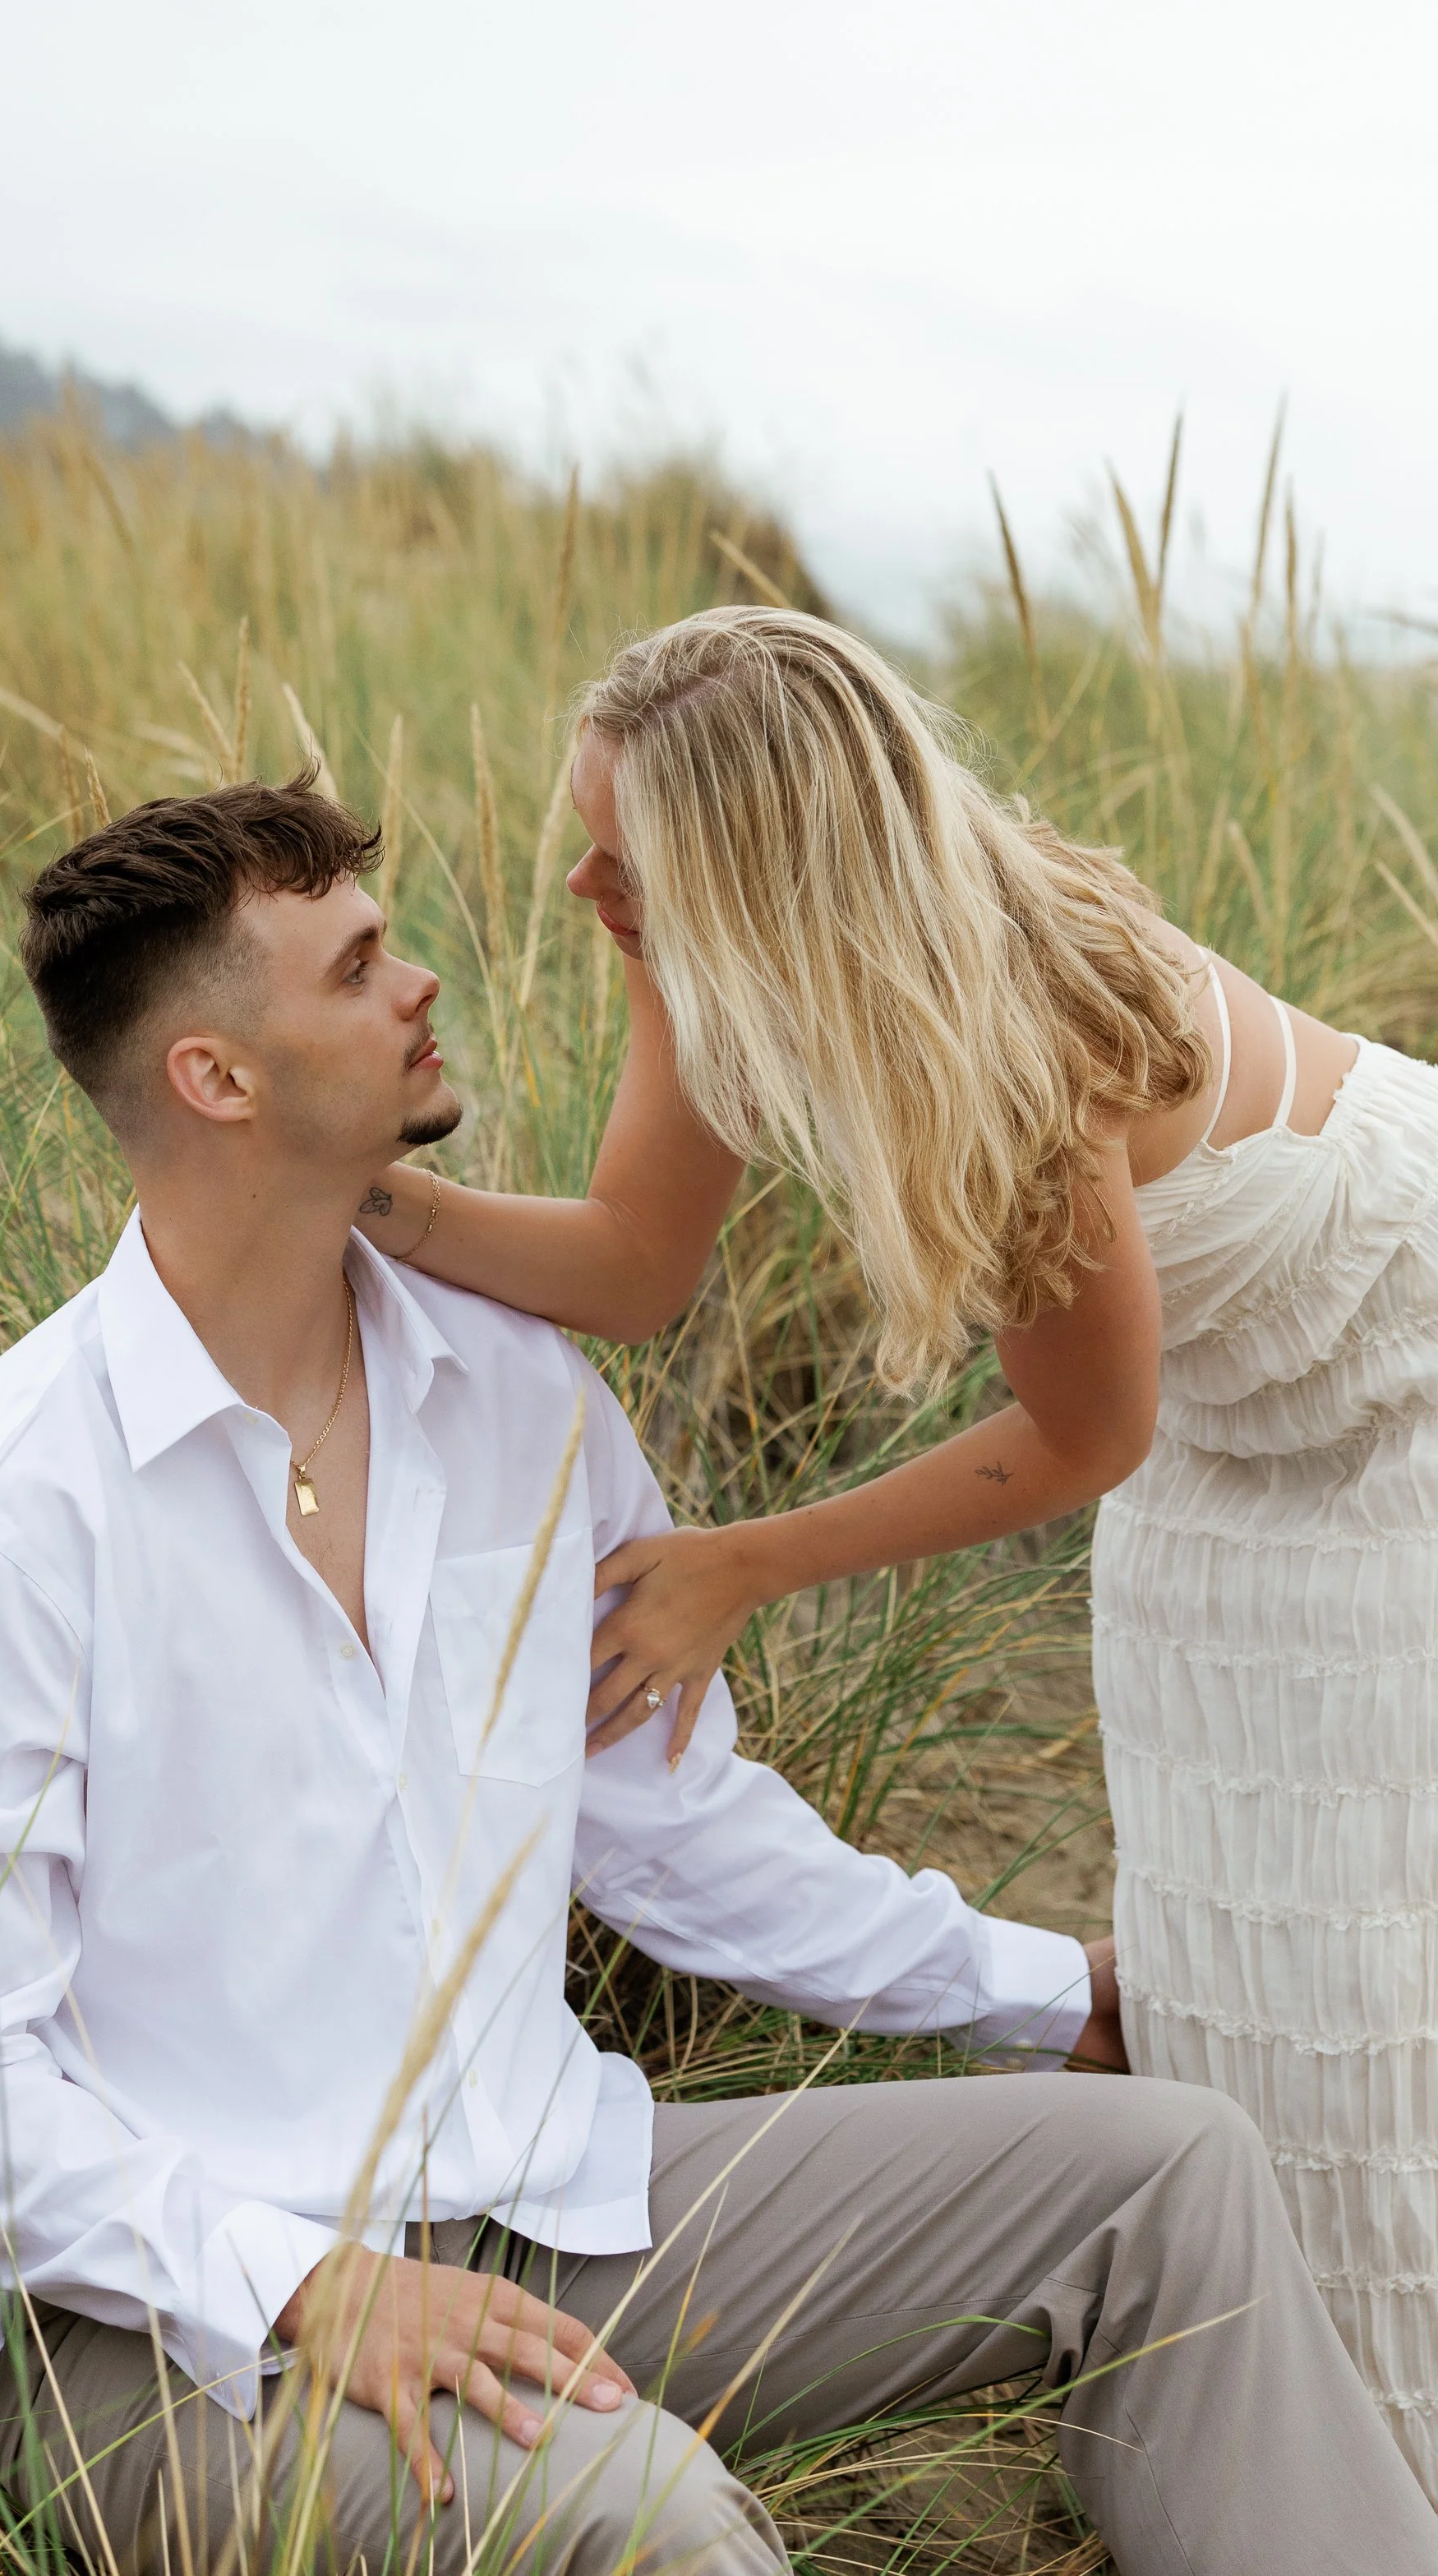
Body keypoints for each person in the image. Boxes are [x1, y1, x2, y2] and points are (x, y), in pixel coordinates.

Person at [0, 778, 1438, 2576]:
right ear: (218, 1077)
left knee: (1169, 2183)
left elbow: (674, 1828)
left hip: (548, 2200)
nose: (422, 978)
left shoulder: (514, 1401)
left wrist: (1039, 1991)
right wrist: (308, 2282)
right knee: (639, 2517)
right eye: (358, 967)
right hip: (165, 2331)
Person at [354, 604, 1438, 2497]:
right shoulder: (709, 957)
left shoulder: (1007, 1031)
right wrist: (376, 1198)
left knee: (1376, 1953)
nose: (582, 876)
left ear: (760, 864)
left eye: (626, 849)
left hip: (1402, 1393)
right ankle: (1245, 2422)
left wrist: (740, 1560)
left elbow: (1087, 1436)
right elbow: (637, 1253)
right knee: (1228, 1936)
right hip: (1231, 1432)